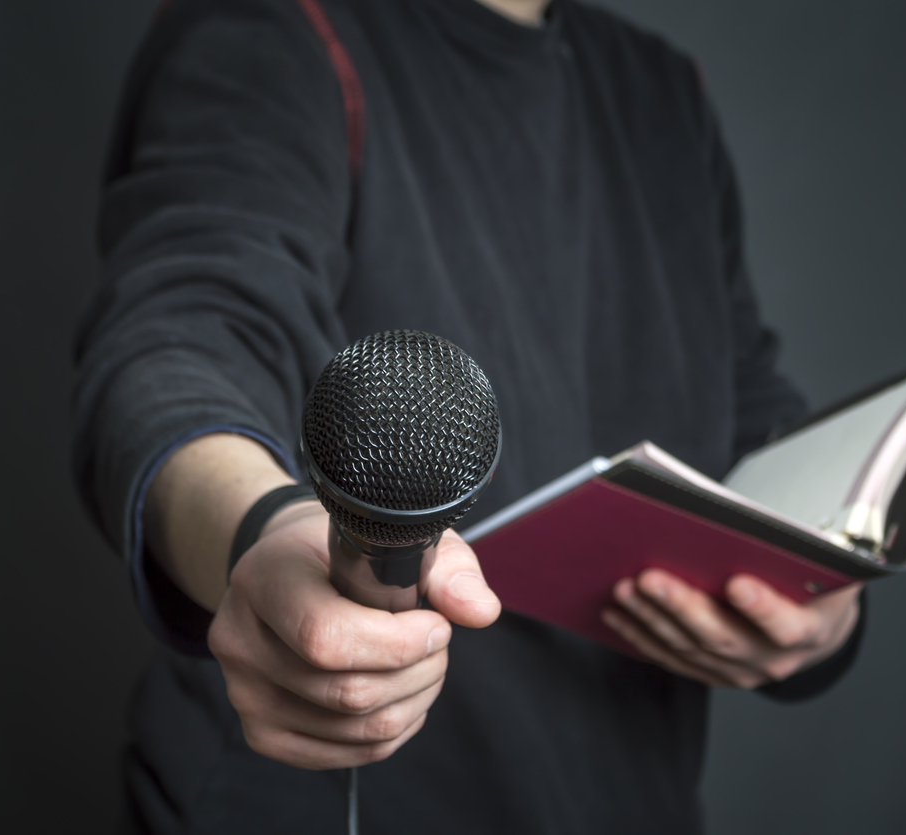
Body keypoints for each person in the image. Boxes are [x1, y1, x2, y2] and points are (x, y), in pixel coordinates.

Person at [72, 0, 865, 831]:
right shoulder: (273, 27)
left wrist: (818, 587)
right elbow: (182, 342)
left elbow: (749, 407)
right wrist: (262, 530)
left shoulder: (666, 92)